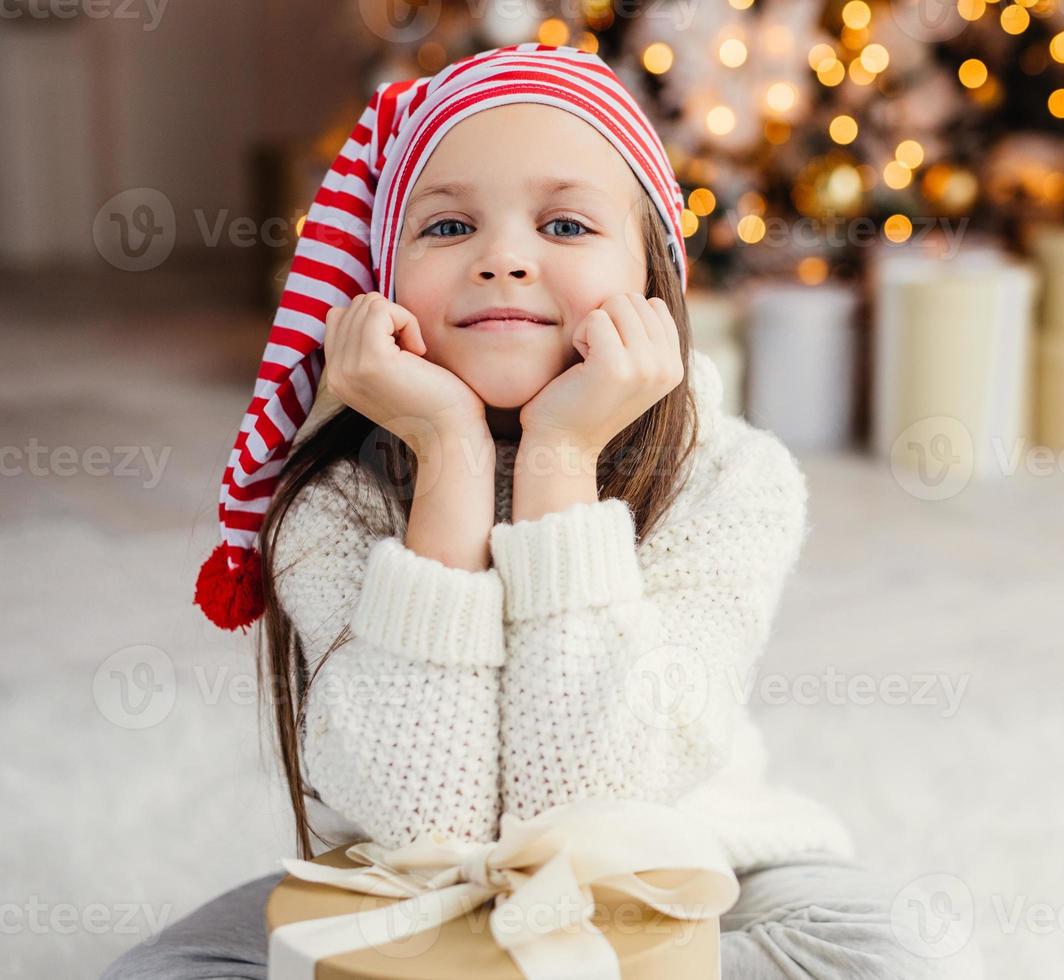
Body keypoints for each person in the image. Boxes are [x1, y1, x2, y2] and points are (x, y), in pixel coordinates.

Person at [102, 43, 970, 980]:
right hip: (402, 883)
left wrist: (559, 458)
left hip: (685, 853)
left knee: (896, 956)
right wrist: (447, 455)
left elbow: (598, 804)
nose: (503, 260)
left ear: (652, 279)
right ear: (382, 287)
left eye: (562, 224)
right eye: (446, 229)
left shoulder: (731, 476)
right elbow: (420, 819)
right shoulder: (337, 496)